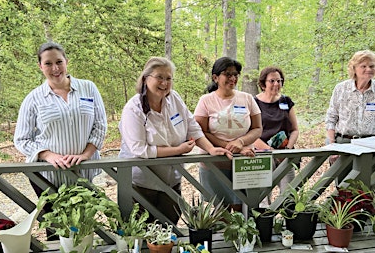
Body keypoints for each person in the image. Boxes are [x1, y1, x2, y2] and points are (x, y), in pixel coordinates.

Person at [118, 57, 232, 224]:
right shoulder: (133, 109)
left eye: (169, 78)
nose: (164, 82)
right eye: (159, 77)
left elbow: (192, 127)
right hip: (141, 183)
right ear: (145, 78)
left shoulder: (175, 99)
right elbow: (139, 149)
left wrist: (210, 149)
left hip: (172, 181)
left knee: (168, 229)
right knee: (142, 235)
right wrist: (178, 150)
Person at [14, 42, 107, 238]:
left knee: (84, 228)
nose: (55, 68)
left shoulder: (88, 88)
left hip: (84, 173)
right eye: (48, 64)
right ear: (40, 66)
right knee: (57, 232)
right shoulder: (33, 99)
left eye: (59, 62)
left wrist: (86, 154)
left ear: (67, 62)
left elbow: (100, 125)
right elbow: (21, 139)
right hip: (48, 177)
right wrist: (48, 155)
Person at [194, 57, 262, 212]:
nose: (233, 78)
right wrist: (230, 146)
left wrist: (241, 142)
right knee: (221, 212)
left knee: (243, 210)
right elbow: (201, 131)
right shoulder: (206, 101)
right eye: (227, 74)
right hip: (214, 165)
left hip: (244, 163)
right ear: (215, 77)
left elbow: (258, 128)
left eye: (235, 74)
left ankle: (244, 238)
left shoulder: (247, 98)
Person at [325, 50, 375, 190]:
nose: (368, 69)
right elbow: (331, 119)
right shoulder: (341, 89)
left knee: (371, 190)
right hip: (345, 144)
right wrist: (332, 147)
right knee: (344, 192)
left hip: (373, 145)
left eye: (372, 66)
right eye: (363, 66)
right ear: (354, 68)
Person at [253, 66, 299, 195]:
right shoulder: (253, 102)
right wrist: (271, 151)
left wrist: (288, 150)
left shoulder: (286, 101)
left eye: (279, 81)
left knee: (289, 195)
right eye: (272, 81)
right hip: (262, 154)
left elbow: (294, 129)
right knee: (262, 198)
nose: (276, 84)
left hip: (285, 154)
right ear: (263, 84)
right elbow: (249, 133)